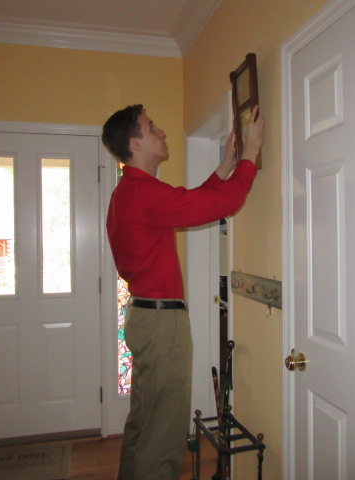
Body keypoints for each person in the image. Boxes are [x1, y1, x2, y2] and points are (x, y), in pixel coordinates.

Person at [102, 103, 265, 480]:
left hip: (147, 318)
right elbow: (223, 203)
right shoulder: (143, 193)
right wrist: (251, 154)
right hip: (161, 325)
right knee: (164, 433)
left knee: (146, 421)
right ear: (135, 143)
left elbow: (192, 203)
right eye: (151, 127)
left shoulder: (132, 191)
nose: (161, 132)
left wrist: (225, 166)